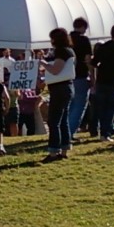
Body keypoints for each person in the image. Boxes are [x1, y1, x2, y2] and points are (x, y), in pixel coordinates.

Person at [90, 24, 114, 141]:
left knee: (101, 107)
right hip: (113, 80)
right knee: (111, 108)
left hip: (101, 79)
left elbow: (94, 62)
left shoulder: (104, 47)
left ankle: (100, 129)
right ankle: (106, 132)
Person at [42, 27, 75, 162]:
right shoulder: (70, 51)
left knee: (53, 121)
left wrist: (43, 63)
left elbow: (56, 70)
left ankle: (53, 151)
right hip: (67, 87)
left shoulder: (62, 52)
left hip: (59, 89)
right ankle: (65, 149)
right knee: (63, 120)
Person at [68, 17, 93, 137]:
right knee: (79, 105)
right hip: (81, 75)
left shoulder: (66, 39)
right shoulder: (84, 40)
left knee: (69, 105)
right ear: (83, 27)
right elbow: (88, 60)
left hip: (67, 76)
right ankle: (70, 132)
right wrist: (93, 76)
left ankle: (64, 130)